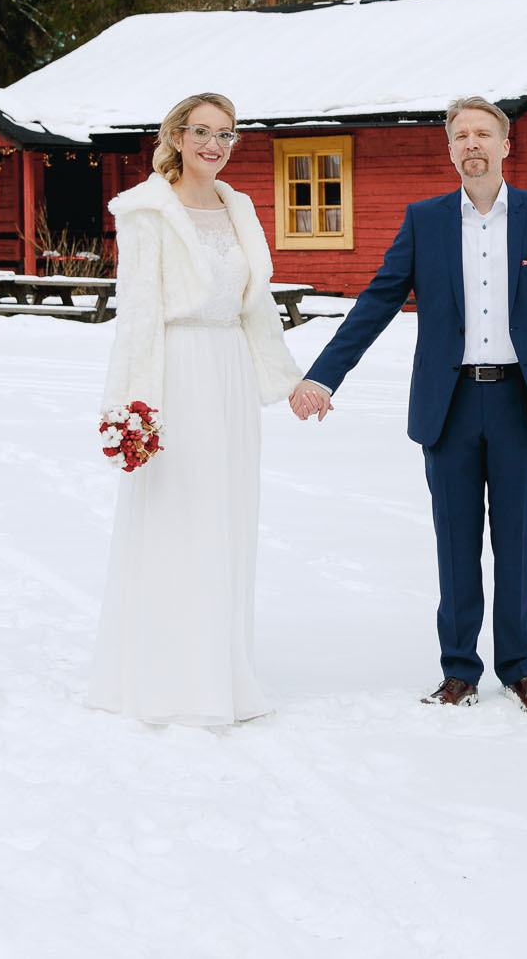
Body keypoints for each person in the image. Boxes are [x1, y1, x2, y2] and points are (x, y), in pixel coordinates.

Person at [291, 96, 527, 721]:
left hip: (521, 404)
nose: (471, 144)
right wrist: (323, 377)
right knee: (455, 543)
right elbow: (377, 301)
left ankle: (519, 668)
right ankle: (459, 670)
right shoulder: (424, 220)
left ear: (505, 145)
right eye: (461, 136)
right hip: (448, 405)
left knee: (516, 543)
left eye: (483, 134)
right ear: (450, 149)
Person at [89, 92, 303, 727]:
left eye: (226, 133)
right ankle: (169, 682)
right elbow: (137, 316)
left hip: (230, 371)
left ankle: (222, 674)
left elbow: (255, 306)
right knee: (180, 515)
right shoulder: (147, 210)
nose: (215, 144)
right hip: (177, 373)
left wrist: (288, 379)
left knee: (227, 516)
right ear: (177, 136)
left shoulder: (239, 207)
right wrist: (133, 408)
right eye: (203, 131)